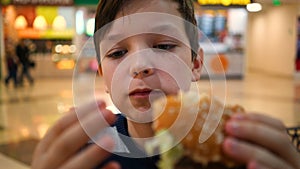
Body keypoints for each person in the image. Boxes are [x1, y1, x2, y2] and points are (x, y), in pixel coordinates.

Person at [31, 1, 300, 169]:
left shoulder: (238, 152)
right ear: (103, 76)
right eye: (117, 53)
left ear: (195, 64)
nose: (139, 66)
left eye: (163, 46)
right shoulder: (87, 155)